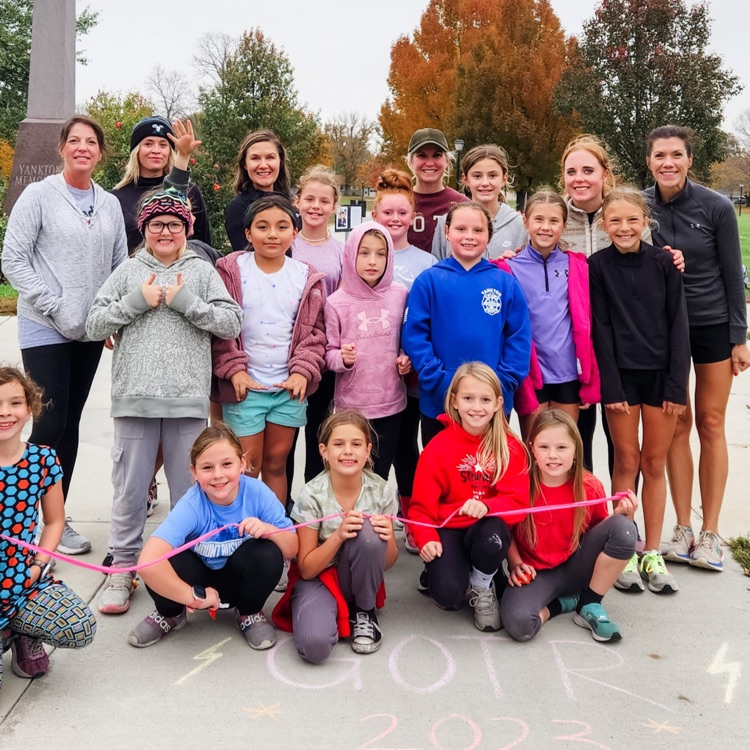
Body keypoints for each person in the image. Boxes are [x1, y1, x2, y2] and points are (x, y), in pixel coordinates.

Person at [86, 188, 242, 614]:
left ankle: (187, 565)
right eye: (157, 224)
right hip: (135, 398)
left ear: (187, 228)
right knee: (130, 488)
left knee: (191, 491)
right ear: (144, 228)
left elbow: (231, 321)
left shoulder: (202, 271)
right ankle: (123, 568)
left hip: (187, 398)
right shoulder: (128, 270)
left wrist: (187, 303)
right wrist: (136, 302)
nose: (166, 231)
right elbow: (93, 323)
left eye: (174, 224)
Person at [2, 115, 128, 554]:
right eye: (74, 140)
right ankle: (19, 520)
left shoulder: (109, 203)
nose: (82, 148)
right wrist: (53, 301)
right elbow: (13, 259)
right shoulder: (39, 195)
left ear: (100, 152)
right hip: (45, 324)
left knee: (70, 425)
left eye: (90, 141)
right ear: (61, 148)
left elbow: (118, 265)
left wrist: (110, 316)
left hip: (89, 330)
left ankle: (57, 519)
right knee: (49, 421)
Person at [645, 125, 750, 572]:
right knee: (676, 422)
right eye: (660, 155)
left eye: (676, 155)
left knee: (710, 421)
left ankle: (710, 532)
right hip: (663, 328)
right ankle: (682, 527)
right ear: (649, 161)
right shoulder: (641, 207)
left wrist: (740, 337)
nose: (668, 162)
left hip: (711, 323)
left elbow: (734, 274)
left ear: (690, 159)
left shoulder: (716, 206)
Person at [559, 134, 683, 474]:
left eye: (588, 170)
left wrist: (672, 258)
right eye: (572, 172)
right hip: (573, 348)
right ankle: (582, 506)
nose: (580, 179)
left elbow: (646, 264)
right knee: (576, 441)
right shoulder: (556, 217)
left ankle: (622, 508)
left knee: (623, 449)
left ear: (605, 173)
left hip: (621, 348)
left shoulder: (623, 213)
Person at [589, 187, 690, 594]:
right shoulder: (597, 266)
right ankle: (625, 547)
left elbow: (678, 323)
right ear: (604, 225)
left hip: (661, 378)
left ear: (645, 222)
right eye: (615, 220)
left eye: (632, 219)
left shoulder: (664, 262)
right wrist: (610, 385)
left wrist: (677, 385)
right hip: (622, 380)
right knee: (627, 460)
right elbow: (601, 329)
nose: (624, 227)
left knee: (654, 462)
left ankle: (652, 551)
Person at [128, 424, 298, 649]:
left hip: (238, 579)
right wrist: (192, 596)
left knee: (269, 552)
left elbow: (292, 548)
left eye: (227, 464)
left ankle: (248, 612)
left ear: (242, 463)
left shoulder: (258, 493)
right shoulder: (192, 504)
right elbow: (148, 562)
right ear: (194, 472)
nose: (218, 475)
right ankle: (170, 613)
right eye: (207, 467)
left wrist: (268, 529)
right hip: (198, 581)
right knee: (168, 558)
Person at [212, 195, 326, 507]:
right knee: (247, 466)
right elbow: (219, 328)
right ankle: (243, 529)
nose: (272, 234)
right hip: (246, 389)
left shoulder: (305, 275)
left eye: (282, 227)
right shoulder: (231, 270)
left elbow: (315, 333)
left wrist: (302, 371)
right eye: (262, 227)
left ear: (294, 232)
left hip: (287, 390)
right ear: (248, 233)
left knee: (276, 464)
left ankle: (274, 528)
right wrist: (234, 370)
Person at [408, 363, 529, 632]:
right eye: (468, 398)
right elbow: (419, 509)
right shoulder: (438, 448)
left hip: (486, 529)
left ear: (498, 404)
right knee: (448, 595)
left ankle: (482, 583)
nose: (477, 407)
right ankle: (451, 571)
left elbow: (519, 503)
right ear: (454, 401)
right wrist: (425, 537)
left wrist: (487, 505)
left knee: (492, 537)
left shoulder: (510, 447)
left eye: (485, 400)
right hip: (448, 528)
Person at [501, 410, 638, 643]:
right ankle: (562, 604)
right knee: (520, 625)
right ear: (532, 448)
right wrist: (515, 563)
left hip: (577, 566)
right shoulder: (520, 483)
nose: (552, 455)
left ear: (575, 449)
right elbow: (506, 529)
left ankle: (590, 602)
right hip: (536, 573)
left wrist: (621, 516)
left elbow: (599, 533)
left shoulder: (589, 486)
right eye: (544, 447)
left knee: (624, 528)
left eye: (562, 447)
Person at [272, 410, 398, 663]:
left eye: (356, 444)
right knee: (314, 646)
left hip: (359, 577)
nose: (348, 451)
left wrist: (386, 539)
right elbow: (306, 569)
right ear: (324, 451)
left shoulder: (381, 490)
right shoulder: (312, 494)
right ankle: (334, 612)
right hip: (319, 577)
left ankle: (364, 610)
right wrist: (338, 535)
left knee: (368, 533)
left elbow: (387, 562)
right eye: (338, 444)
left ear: (368, 451)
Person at [402, 202, 532, 446]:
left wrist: (500, 384)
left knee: (488, 466)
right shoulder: (429, 281)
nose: (469, 236)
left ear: (489, 235)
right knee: (442, 466)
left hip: (491, 403)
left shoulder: (505, 283)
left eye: (477, 230)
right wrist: (440, 382)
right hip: (440, 400)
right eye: (461, 229)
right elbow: (415, 337)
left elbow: (519, 338)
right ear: (447, 232)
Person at [0, 367, 96, 689]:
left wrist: (39, 565)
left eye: (15, 403)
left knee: (80, 626)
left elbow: (54, 521)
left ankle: (23, 631)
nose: (5, 412)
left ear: (30, 409)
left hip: (22, 580)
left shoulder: (43, 460)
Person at [371, 169, 436, 552]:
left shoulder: (426, 261)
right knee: (379, 447)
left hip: (411, 371)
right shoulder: (364, 253)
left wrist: (412, 354)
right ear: (375, 215)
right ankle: (372, 515)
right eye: (387, 213)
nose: (394, 219)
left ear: (413, 216)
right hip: (372, 372)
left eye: (401, 213)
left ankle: (411, 516)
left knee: (408, 447)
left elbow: (431, 317)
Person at [505, 189, 600, 440]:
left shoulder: (577, 265)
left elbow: (587, 323)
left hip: (568, 373)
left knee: (564, 448)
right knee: (535, 447)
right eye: (538, 219)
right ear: (525, 221)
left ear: (564, 225)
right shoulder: (508, 267)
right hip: (531, 374)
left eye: (554, 221)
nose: (545, 227)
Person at [324, 221, 410, 480]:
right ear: (351, 254)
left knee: (380, 471)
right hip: (352, 406)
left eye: (380, 254)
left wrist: (406, 358)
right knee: (351, 470)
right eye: (364, 253)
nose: (372, 261)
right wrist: (342, 358)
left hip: (391, 403)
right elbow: (329, 353)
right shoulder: (336, 302)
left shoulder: (400, 295)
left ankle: (380, 508)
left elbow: (406, 340)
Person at [290, 166, 344, 483]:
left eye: (324, 201)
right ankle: (282, 503)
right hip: (288, 351)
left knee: (318, 432)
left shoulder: (341, 251)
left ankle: (314, 498)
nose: (316, 206)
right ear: (297, 201)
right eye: (309, 199)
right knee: (284, 436)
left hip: (324, 354)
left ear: (334, 206)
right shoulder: (287, 244)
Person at [112, 115, 211, 252]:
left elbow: (203, 244)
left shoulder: (189, 191)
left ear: (170, 151)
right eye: (148, 144)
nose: (156, 150)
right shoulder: (116, 198)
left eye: (163, 145)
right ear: (136, 150)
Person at [432, 144, 526, 260]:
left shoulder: (519, 224)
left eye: (492, 175)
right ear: (465, 179)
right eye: (477, 176)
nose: (485, 183)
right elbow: (437, 266)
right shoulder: (447, 222)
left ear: (504, 179)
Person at [224, 130, 296, 251]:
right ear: (245, 164)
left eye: (270, 157)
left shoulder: (293, 204)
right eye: (255, 158)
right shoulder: (239, 208)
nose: (263, 165)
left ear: (280, 161)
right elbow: (245, 257)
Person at [405, 128, 468, 252]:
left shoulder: (463, 204)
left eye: (437, 155)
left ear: (447, 161)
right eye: (422, 155)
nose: (429, 163)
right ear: (411, 161)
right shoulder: (399, 202)